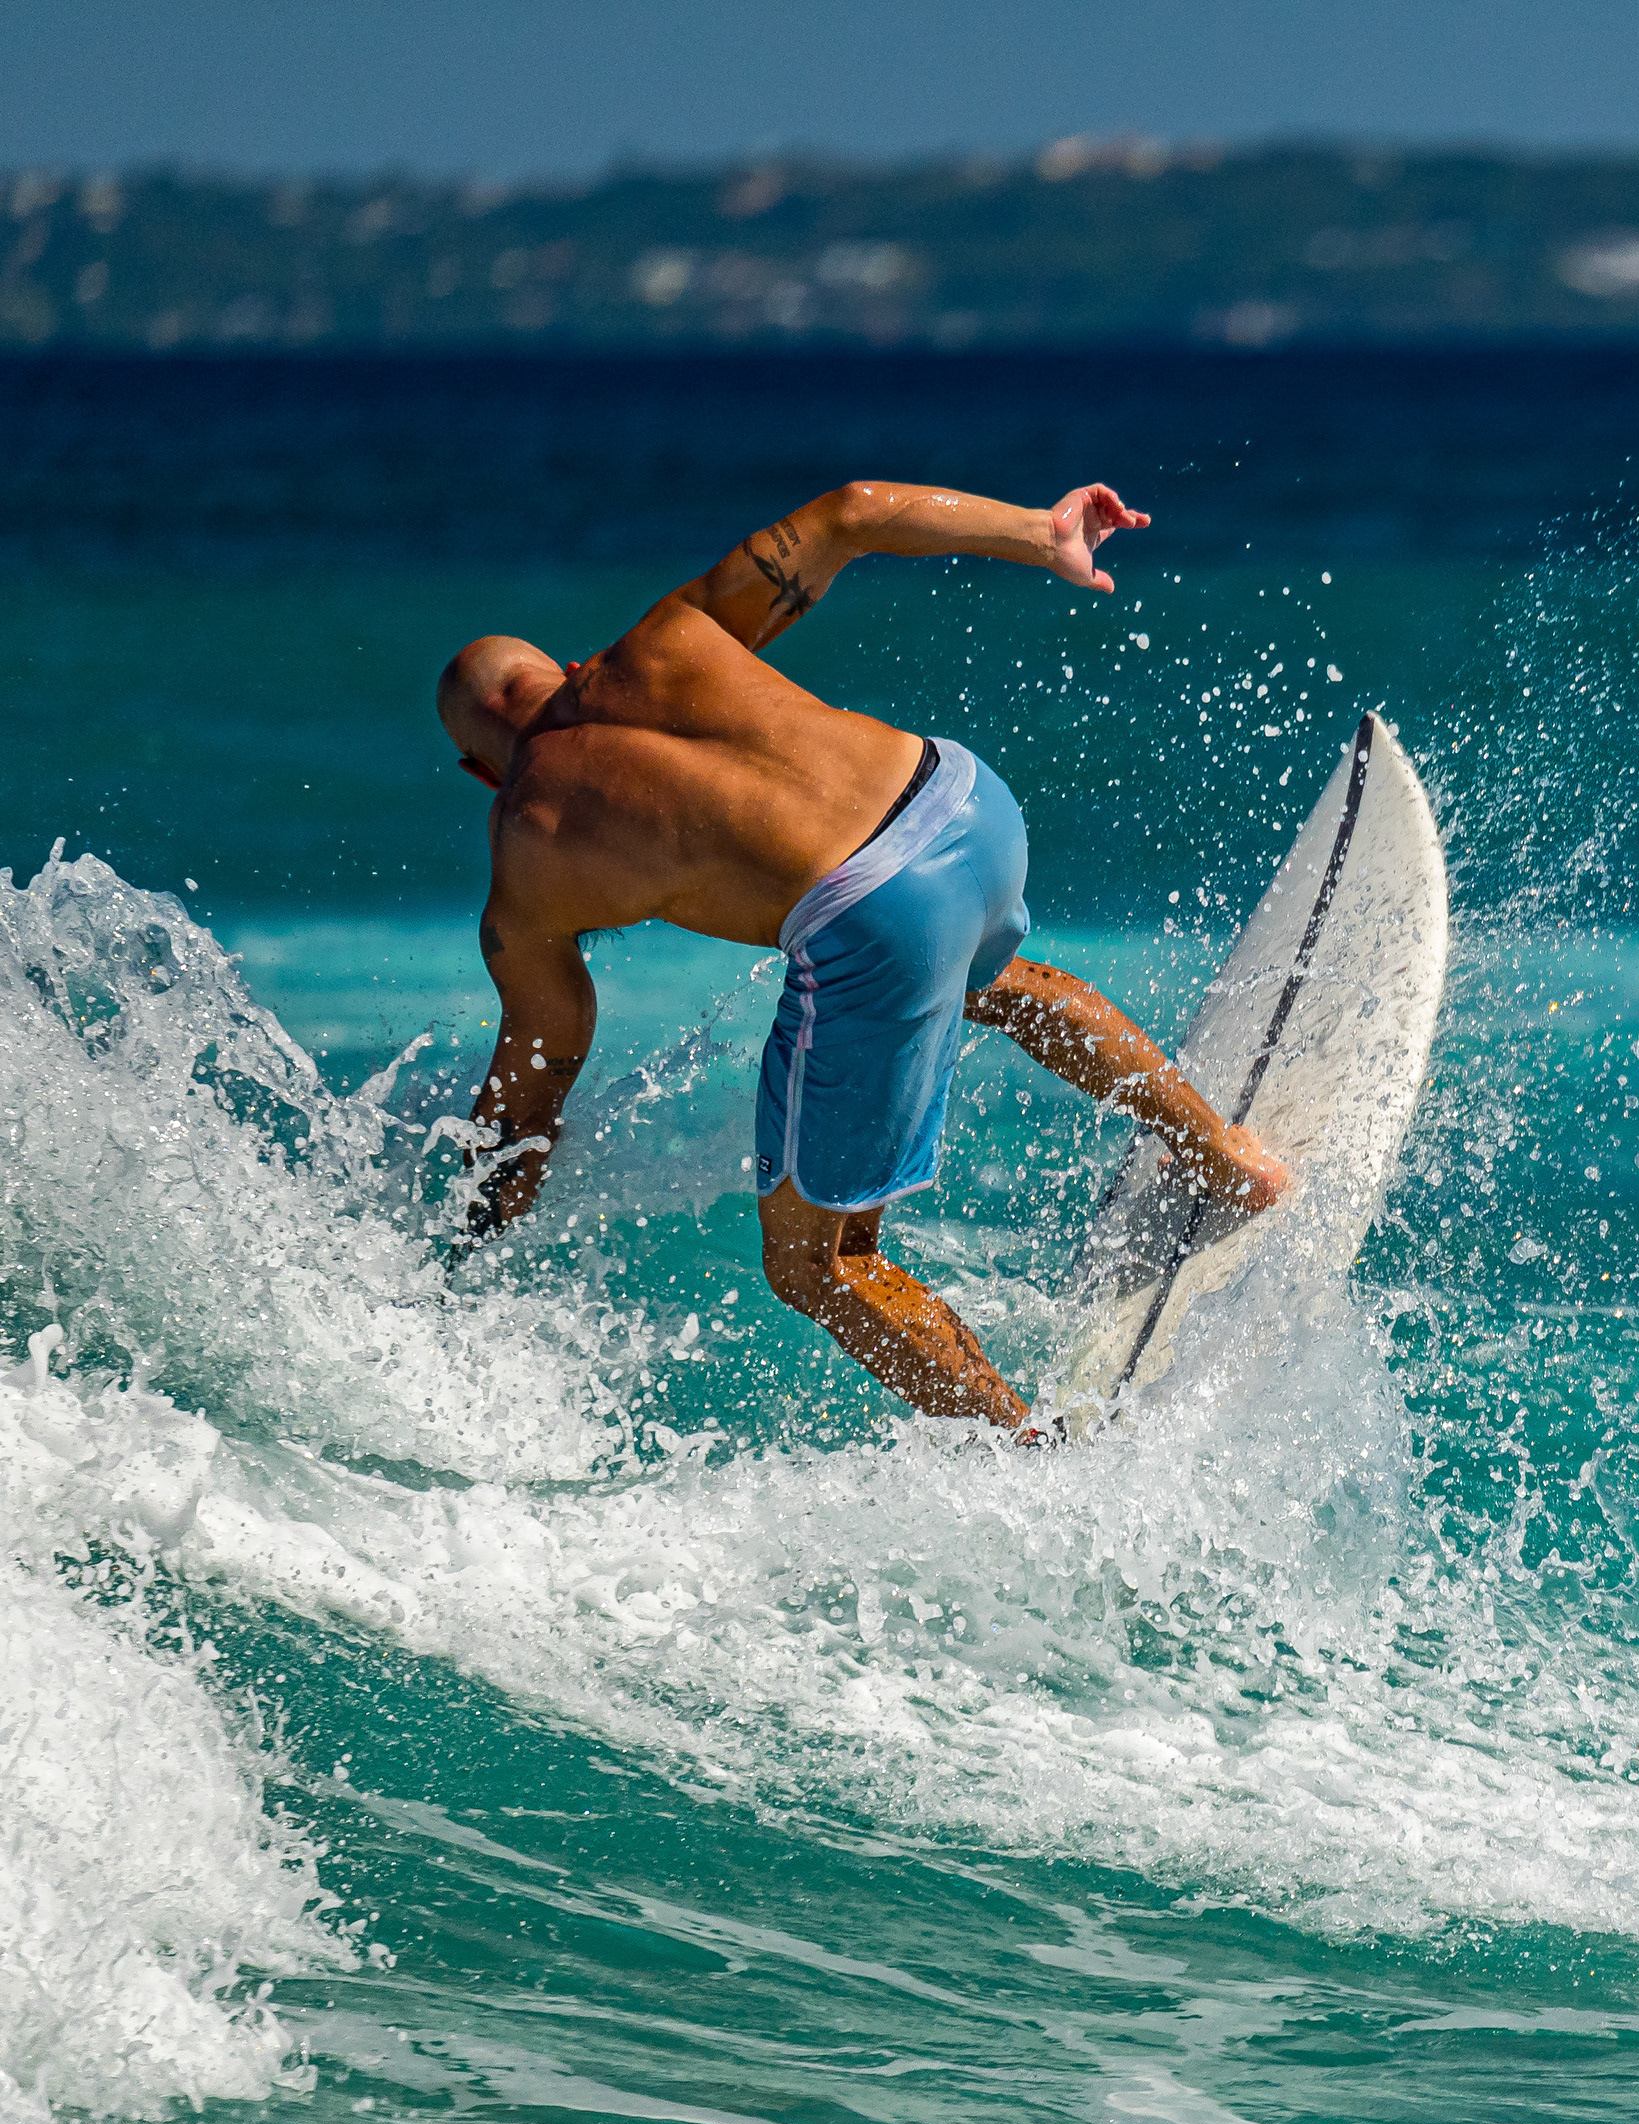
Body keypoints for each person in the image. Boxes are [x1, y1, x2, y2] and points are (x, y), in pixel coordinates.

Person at [436, 478, 1288, 1432]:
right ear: (564, 668)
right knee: (991, 983)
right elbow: (853, 511)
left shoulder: (527, 859)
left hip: (878, 913)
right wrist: (1039, 534)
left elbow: (531, 1094)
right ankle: (1227, 1157)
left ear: (478, 772)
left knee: (815, 1265)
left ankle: (1032, 1455)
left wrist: (459, 1255)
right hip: (966, 800)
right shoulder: (668, 634)